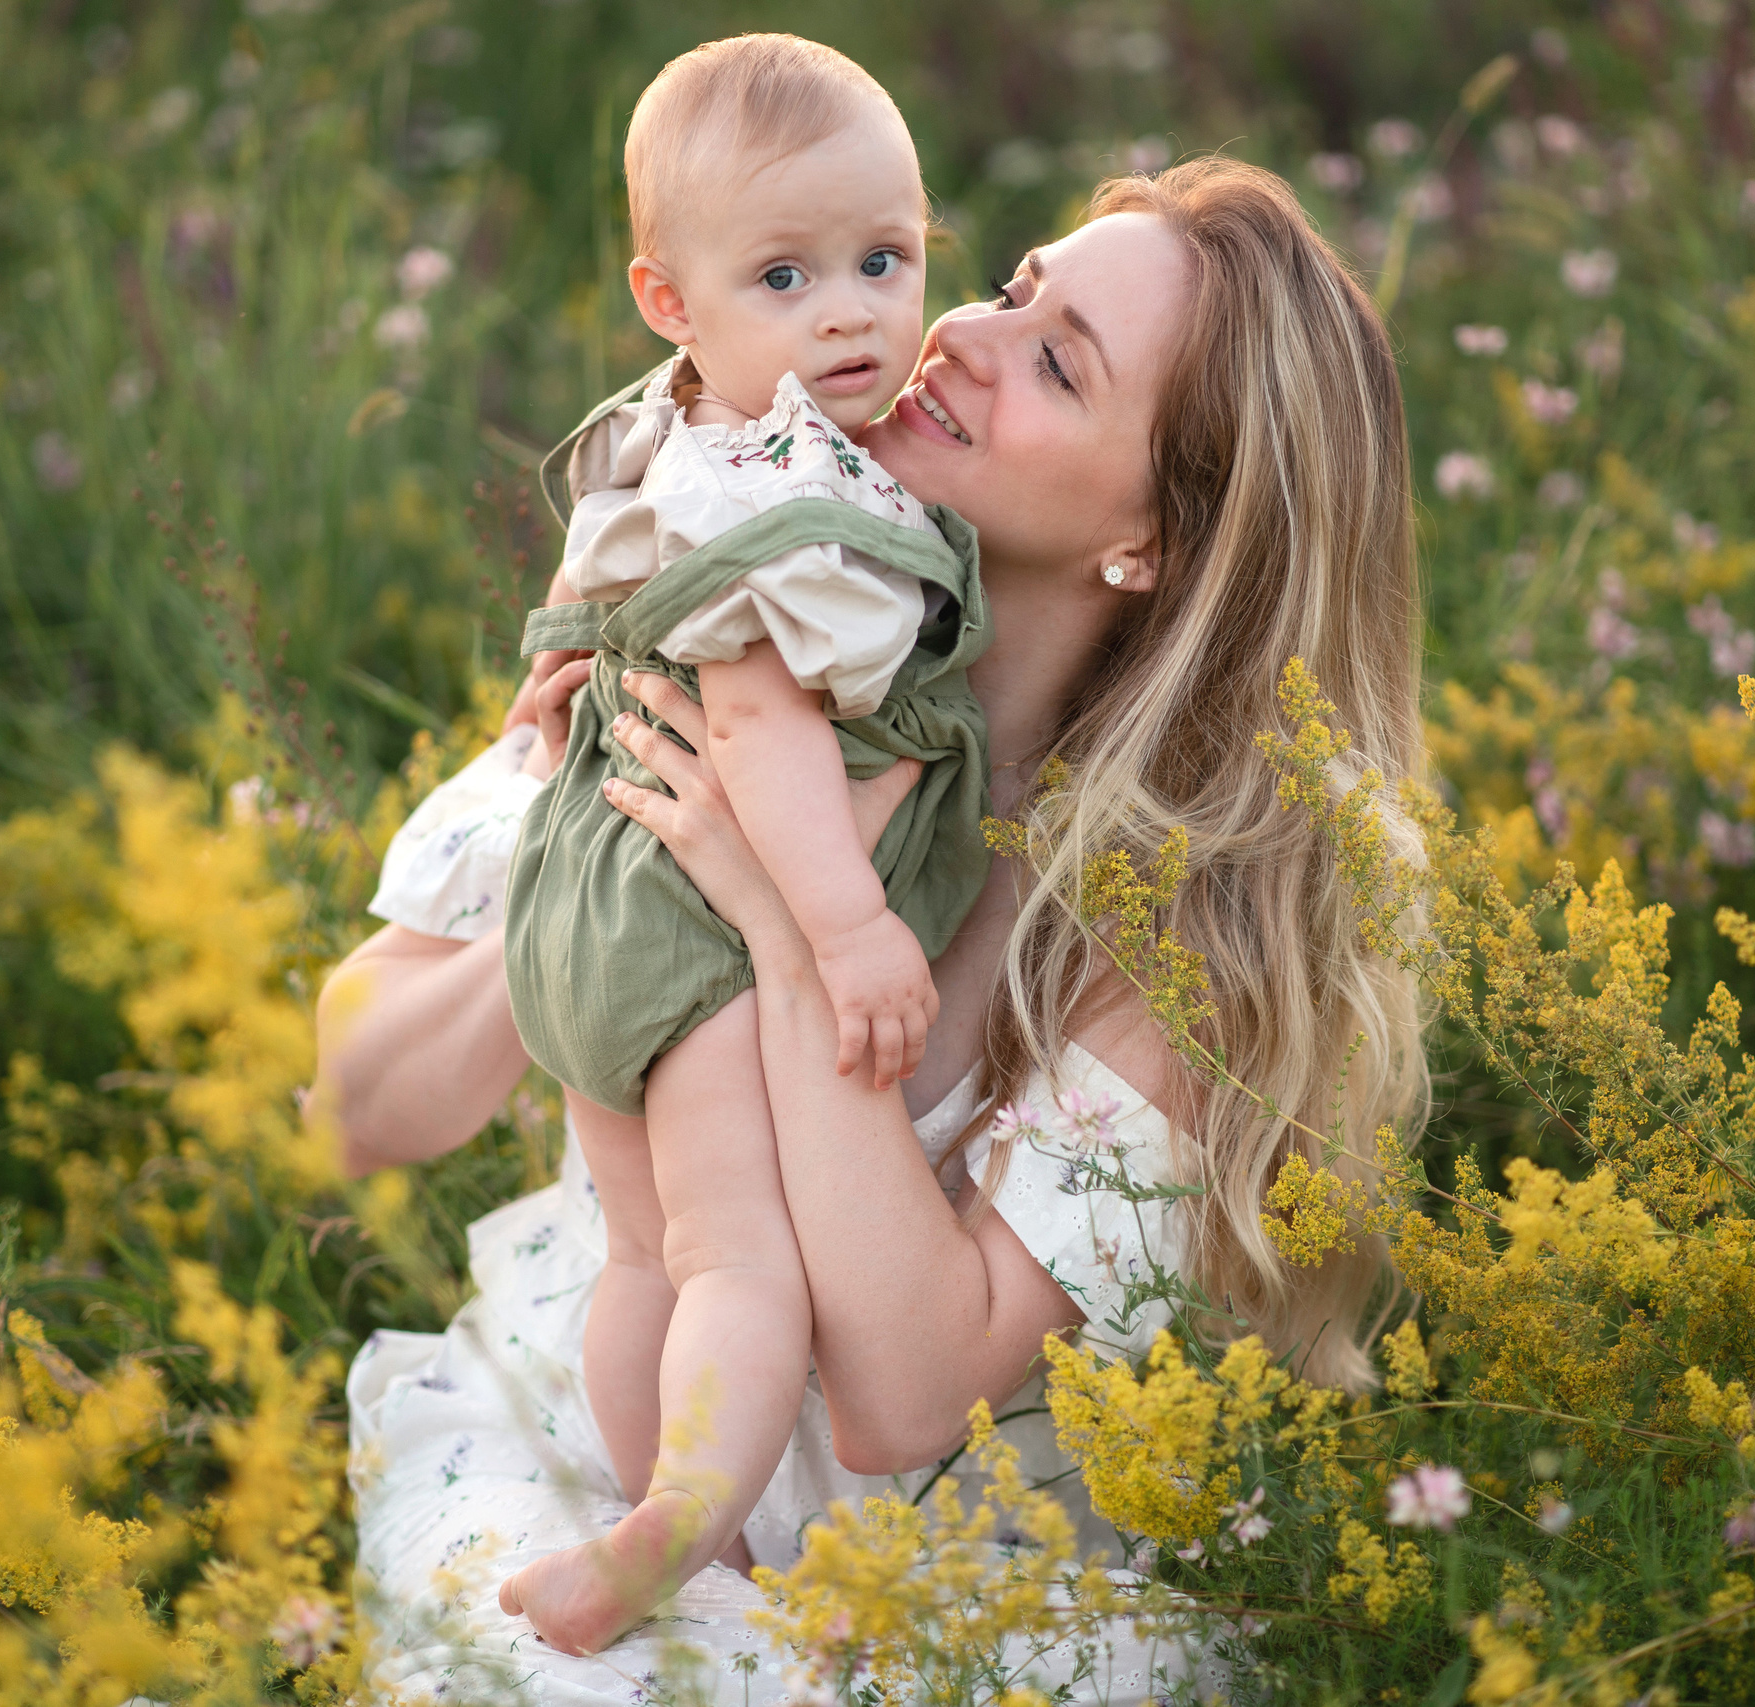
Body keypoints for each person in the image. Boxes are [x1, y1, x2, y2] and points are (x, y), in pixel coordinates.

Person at [322, 156, 1427, 1704]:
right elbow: (362, 1109)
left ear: (1157, 539)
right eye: (1014, 286)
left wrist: (791, 930)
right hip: (591, 1446)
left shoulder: (1190, 926)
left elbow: (905, 1397)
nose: (968, 332)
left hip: (935, 1577)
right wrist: (605, 867)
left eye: (1057, 361)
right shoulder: (709, 610)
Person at [493, 34, 996, 1653]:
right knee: (736, 1258)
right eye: (785, 275)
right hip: (697, 919)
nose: (850, 311)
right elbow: (770, 725)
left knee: (644, 1244)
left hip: (578, 903)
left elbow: (579, 614)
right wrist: (848, 930)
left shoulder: (666, 433)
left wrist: (529, 712)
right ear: (668, 298)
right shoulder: (795, 492)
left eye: (884, 259)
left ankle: (654, 1521)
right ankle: (682, 1519)